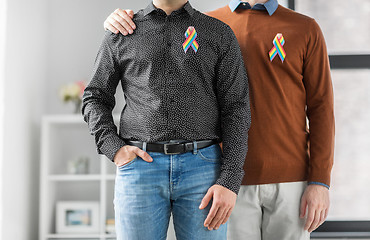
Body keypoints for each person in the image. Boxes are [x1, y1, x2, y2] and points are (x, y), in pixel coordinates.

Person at [102, 0, 335, 239]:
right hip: (226, 179)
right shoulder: (208, 24)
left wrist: (320, 181)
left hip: (289, 179)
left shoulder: (305, 28)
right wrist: (117, 21)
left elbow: (321, 109)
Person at [81, 0, 251, 239]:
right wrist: (114, 148)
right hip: (140, 169)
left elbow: (236, 108)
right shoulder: (122, 32)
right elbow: (94, 96)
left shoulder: (218, 33)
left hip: (204, 171)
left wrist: (230, 181)